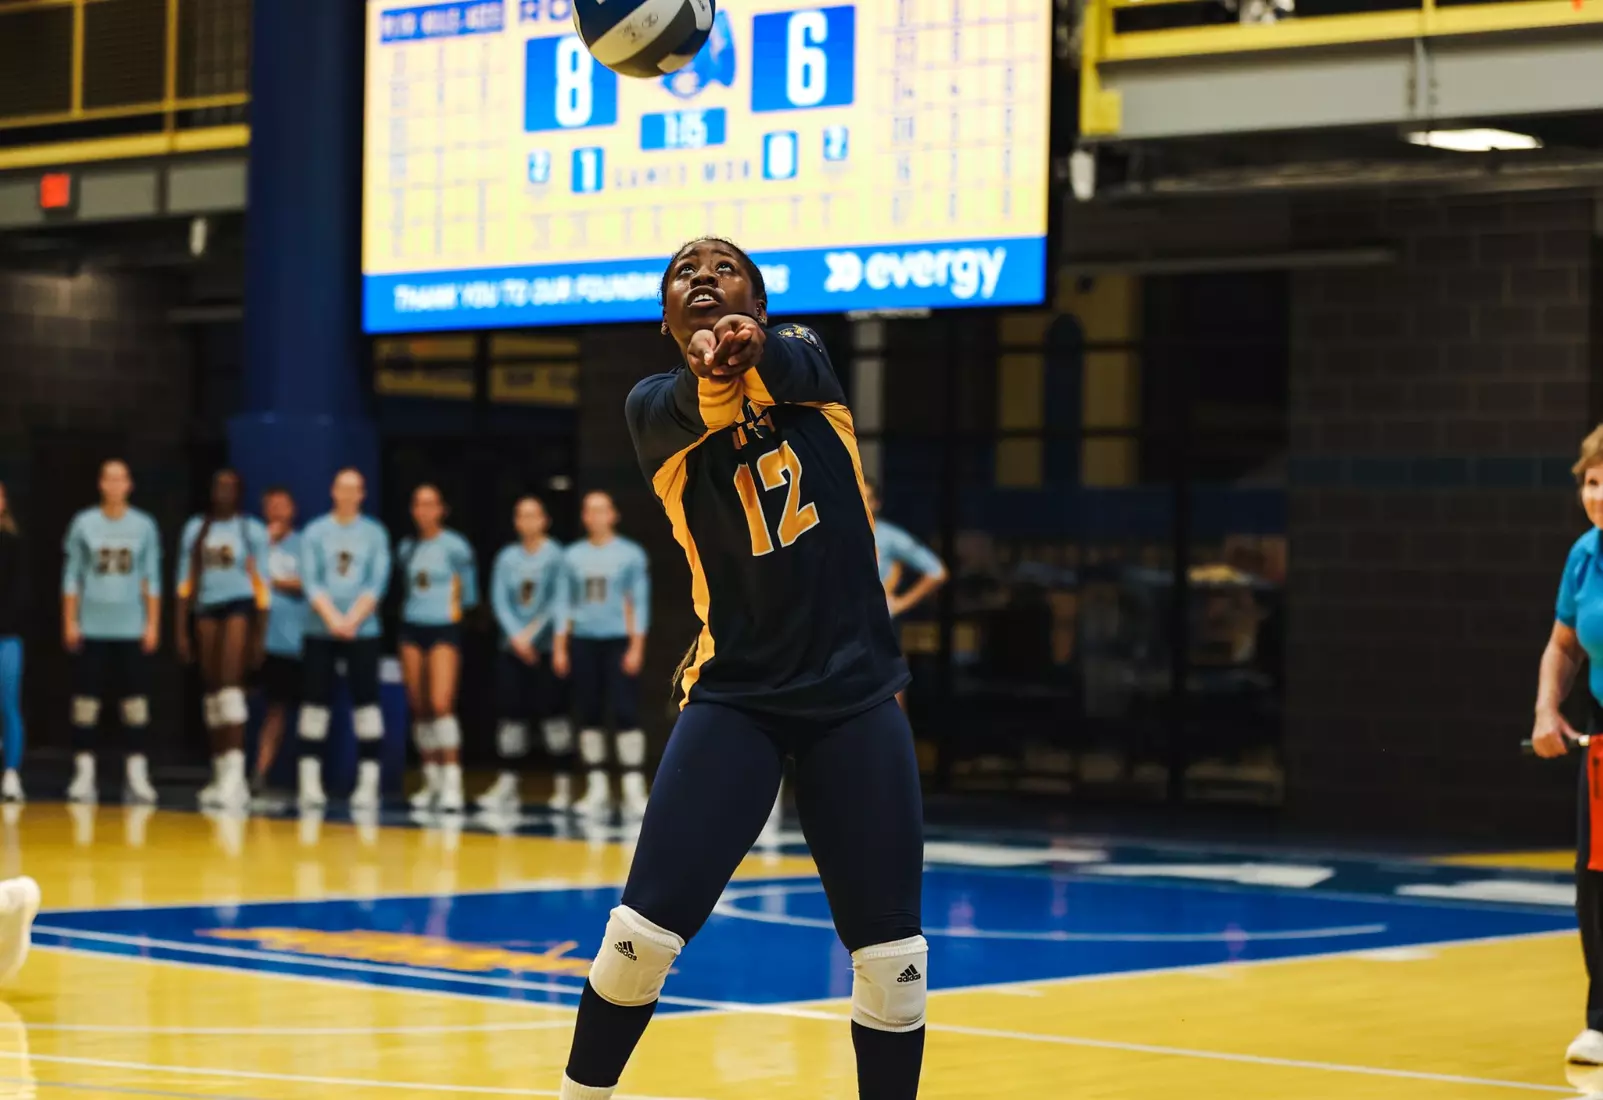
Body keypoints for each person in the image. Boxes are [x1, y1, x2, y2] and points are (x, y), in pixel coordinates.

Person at [554, 239, 925, 1100]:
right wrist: (713, 368)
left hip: (854, 695)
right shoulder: (653, 409)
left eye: (722, 269)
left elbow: (785, 359)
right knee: (638, 940)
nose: (702, 277)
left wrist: (747, 349)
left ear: (757, 303)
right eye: (683, 273)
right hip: (738, 695)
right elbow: (697, 402)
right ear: (664, 320)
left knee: (894, 964)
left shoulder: (806, 365)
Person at [61, 460, 161, 805]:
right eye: (110, 478)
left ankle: (137, 773)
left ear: (130, 485)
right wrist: (69, 620)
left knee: (135, 703)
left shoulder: (145, 525)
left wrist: (152, 623)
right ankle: (83, 772)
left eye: (121, 479)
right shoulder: (83, 523)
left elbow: (151, 577)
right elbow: (72, 575)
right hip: (92, 626)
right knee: (85, 702)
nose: (116, 485)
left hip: (130, 627)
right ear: (101, 484)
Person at [176, 469, 271, 811]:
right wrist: (181, 629)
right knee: (212, 689)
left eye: (231, 486)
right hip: (206, 607)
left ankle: (236, 775)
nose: (224, 491)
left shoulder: (251, 530)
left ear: (240, 492)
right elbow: (184, 581)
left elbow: (263, 585)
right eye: (219, 485)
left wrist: (260, 635)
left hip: (239, 605)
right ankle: (219, 771)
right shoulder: (197, 528)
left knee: (231, 685)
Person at [297, 468, 391, 810]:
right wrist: (333, 619)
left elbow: (377, 582)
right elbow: (311, 581)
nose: (348, 494)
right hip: (319, 630)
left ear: (362, 494)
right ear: (333, 491)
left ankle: (368, 782)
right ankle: (309, 782)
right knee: (314, 704)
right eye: (342, 488)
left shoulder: (374, 533)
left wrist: (352, 620)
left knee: (366, 704)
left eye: (355, 489)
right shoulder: (315, 531)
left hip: (363, 631)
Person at [554, 492, 651, 817]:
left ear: (613, 514)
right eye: (590, 510)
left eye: (602, 509)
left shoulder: (630, 554)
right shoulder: (572, 556)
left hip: (618, 641)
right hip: (583, 640)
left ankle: (633, 788)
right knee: (589, 712)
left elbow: (640, 601)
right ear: (584, 516)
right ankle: (597, 787)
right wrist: (560, 646)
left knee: (625, 711)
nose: (596, 515)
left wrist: (636, 645)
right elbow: (563, 603)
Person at [480, 495, 570, 813]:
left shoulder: (556, 555)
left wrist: (532, 635)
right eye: (521, 515)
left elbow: (558, 601)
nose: (527, 521)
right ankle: (508, 784)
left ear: (545, 520)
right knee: (511, 714)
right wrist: (517, 637)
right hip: (512, 648)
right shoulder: (506, 557)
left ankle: (563, 785)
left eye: (533, 515)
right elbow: (499, 600)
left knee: (553, 713)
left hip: (544, 649)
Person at [398, 484, 479, 813]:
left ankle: (452, 782)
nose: (424, 511)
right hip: (411, 627)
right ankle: (430, 781)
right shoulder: (406, 547)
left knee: (441, 703)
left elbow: (469, 594)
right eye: (419, 504)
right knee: (419, 706)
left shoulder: (456, 546)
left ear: (442, 509)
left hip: (443, 627)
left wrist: (453, 615)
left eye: (431, 504)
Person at [254, 486, 306, 796]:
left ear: (292, 510)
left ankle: (270, 774)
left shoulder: (303, 544)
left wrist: (271, 581)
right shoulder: (254, 541)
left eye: (282, 505)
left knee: (283, 710)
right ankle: (238, 773)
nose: (276, 511)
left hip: (291, 641)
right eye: (271, 505)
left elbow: (309, 583)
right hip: (256, 641)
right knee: (242, 707)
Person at [0, 485, 24, 802]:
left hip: (6, 637)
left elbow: (19, 595)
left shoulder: (13, 544)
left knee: (8, 704)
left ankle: (11, 774)